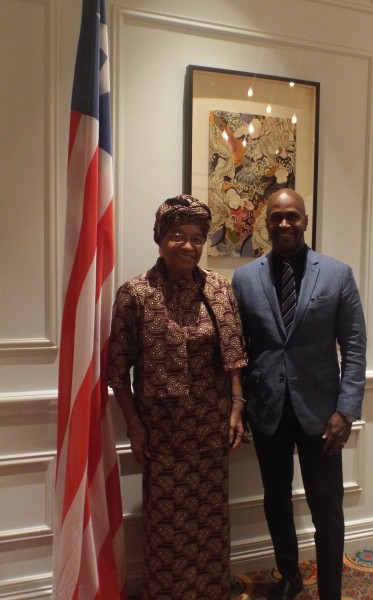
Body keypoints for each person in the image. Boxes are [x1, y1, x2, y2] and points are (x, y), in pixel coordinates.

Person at [107, 194, 248, 599]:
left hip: (211, 430)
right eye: (178, 235)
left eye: (197, 237)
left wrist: (236, 407)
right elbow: (118, 371)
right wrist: (134, 425)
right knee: (167, 526)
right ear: (160, 238)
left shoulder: (219, 290)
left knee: (210, 521)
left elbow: (234, 356)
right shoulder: (135, 294)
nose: (188, 245)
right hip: (164, 435)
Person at [231, 188, 367, 600]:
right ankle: (289, 576)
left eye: (292, 216)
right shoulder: (244, 278)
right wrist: (240, 404)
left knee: (327, 509)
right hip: (268, 411)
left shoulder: (337, 274)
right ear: (266, 222)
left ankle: (331, 593)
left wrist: (346, 409)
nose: (284, 224)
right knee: (276, 501)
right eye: (276, 217)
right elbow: (239, 348)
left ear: (305, 220)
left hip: (323, 415)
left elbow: (355, 347)